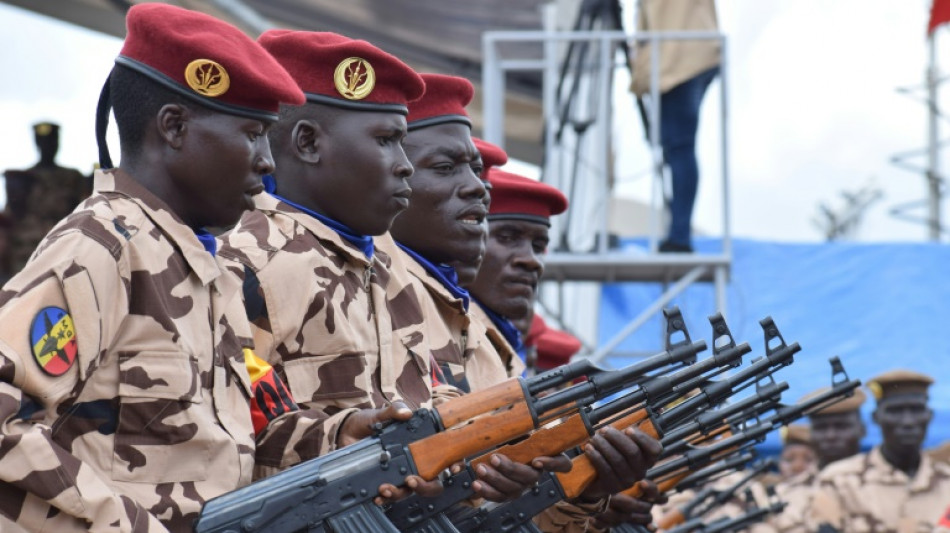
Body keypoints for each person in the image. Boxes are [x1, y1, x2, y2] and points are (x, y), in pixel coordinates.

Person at [0, 4, 306, 531]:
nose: (267, 161)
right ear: (174, 127)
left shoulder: (206, 266)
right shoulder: (98, 250)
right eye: (252, 133)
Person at [630, 0, 720, 253]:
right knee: (677, 147)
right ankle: (678, 233)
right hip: (688, 54)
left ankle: (679, 236)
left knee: (679, 147)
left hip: (678, 59)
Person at [810, 369, 950, 532]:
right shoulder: (838, 481)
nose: (908, 422)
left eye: (916, 410)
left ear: (930, 416)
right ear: (876, 417)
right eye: (895, 411)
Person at [3, 122, 91, 273]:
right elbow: (9, 219)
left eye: (51, 141)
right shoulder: (22, 179)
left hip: (64, 251)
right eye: (43, 142)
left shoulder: (72, 177)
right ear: (37, 143)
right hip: (26, 255)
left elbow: (86, 211)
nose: (48, 147)